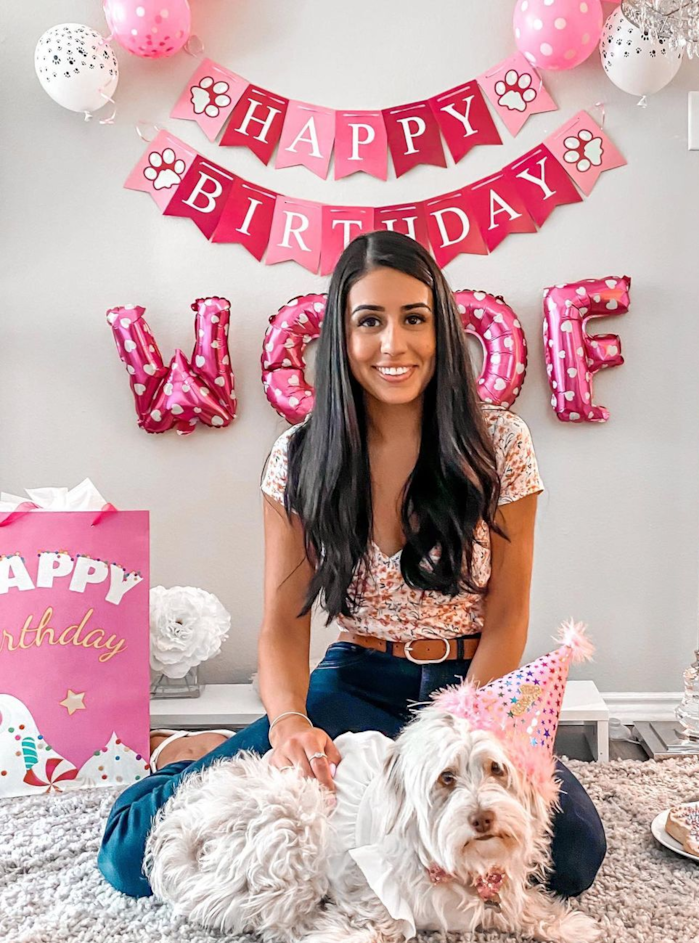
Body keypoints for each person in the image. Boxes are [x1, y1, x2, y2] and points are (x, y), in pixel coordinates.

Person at [97, 230, 606, 901]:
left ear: (442, 329)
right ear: (341, 335)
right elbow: (282, 626)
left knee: (571, 857)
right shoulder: (301, 456)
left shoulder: (500, 443)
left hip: (470, 692)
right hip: (354, 684)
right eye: (370, 321)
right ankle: (177, 760)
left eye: (414, 319)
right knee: (134, 860)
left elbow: (509, 613)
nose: (394, 345)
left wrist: (463, 729)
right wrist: (288, 726)